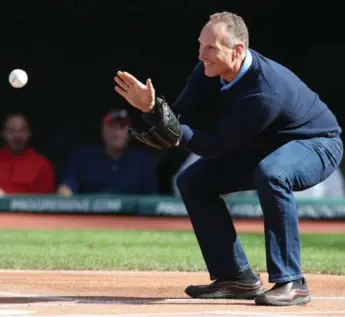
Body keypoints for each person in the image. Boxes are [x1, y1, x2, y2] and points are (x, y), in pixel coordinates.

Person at [113, 12, 343, 306]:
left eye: (210, 48)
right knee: (193, 181)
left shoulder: (264, 90)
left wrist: (173, 131)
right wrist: (151, 108)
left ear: (237, 50)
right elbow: (179, 116)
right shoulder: (208, 71)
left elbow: (217, 146)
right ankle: (236, 278)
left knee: (272, 173)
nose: (202, 54)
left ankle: (293, 282)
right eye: (200, 45)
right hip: (265, 146)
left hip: (317, 145)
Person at [57, 109, 157, 196]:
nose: (116, 133)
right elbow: (67, 188)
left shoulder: (141, 161)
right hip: (91, 216)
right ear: (102, 130)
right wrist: (64, 195)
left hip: (130, 216)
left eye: (121, 127)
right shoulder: (84, 157)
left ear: (130, 133)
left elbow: (151, 198)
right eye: (111, 126)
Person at [0, 114, 55, 194]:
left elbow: (47, 201)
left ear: (29, 134)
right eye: (12, 131)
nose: (17, 136)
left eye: (22, 130)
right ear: (3, 134)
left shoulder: (42, 164)